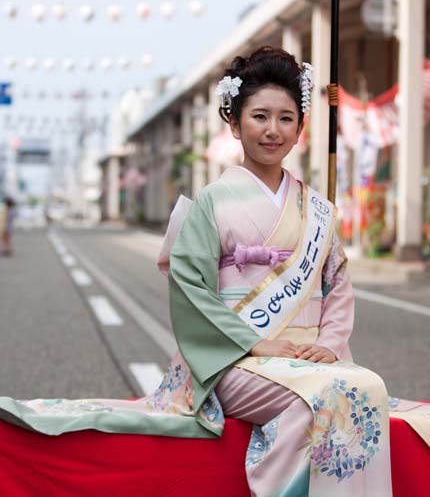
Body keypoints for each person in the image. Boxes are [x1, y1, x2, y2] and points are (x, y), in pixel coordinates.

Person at [0, 47, 428, 497]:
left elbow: (336, 282)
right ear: (235, 124)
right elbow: (190, 290)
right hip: (237, 361)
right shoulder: (212, 201)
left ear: (300, 129)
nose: (272, 130)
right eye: (259, 116)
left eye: (286, 119)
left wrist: (329, 343)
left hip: (307, 358)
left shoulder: (317, 209)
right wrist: (256, 342)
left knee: (363, 385)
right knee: (329, 397)